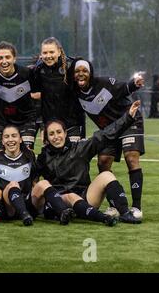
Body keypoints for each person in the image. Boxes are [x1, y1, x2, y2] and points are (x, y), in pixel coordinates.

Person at [34, 101, 143, 225]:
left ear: (65, 133)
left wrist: (128, 117)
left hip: (85, 198)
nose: (56, 137)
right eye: (51, 134)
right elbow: (34, 182)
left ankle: (125, 213)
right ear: (47, 138)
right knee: (58, 192)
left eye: (59, 132)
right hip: (60, 201)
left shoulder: (80, 148)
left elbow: (106, 135)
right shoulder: (43, 157)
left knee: (106, 175)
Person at [73, 59, 145, 219]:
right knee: (103, 162)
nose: (80, 74)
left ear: (90, 73)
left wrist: (135, 83)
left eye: (84, 70)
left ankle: (136, 207)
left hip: (129, 119)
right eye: (77, 71)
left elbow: (124, 88)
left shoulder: (104, 83)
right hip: (109, 129)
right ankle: (115, 206)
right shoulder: (75, 93)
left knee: (131, 157)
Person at [31, 37, 85, 142]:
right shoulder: (38, 70)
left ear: (59, 52)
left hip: (72, 124)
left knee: (74, 157)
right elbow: (37, 96)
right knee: (52, 157)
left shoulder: (72, 66)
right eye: (45, 53)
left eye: (51, 52)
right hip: (51, 124)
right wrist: (43, 125)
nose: (48, 56)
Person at [0, 41, 37, 150]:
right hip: (1, 123)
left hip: (25, 122)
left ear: (14, 58)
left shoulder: (27, 73)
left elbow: (41, 92)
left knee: (27, 155)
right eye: (0, 58)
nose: (4, 61)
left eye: (8, 57)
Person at [0, 124, 37, 226]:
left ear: (20, 139)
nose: (10, 139)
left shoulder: (29, 156)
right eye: (6, 137)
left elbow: (35, 180)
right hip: (6, 207)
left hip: (26, 203)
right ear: (2, 141)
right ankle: (24, 215)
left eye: (14, 136)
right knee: (13, 185)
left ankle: (26, 212)